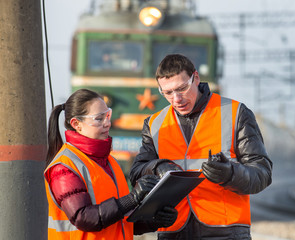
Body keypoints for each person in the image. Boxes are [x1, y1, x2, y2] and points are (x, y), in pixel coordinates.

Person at [130, 54, 273, 239]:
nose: (176, 99)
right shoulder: (154, 123)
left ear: (195, 78)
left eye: (182, 88)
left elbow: (262, 173)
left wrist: (230, 174)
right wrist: (157, 167)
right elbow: (136, 173)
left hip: (226, 231)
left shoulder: (236, 113)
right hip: (173, 231)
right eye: (167, 92)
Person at [44, 88, 178, 239]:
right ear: (76, 124)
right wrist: (132, 199)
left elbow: (120, 219)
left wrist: (154, 221)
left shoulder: (110, 162)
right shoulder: (63, 167)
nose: (107, 123)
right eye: (99, 119)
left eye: (108, 115)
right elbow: (83, 217)